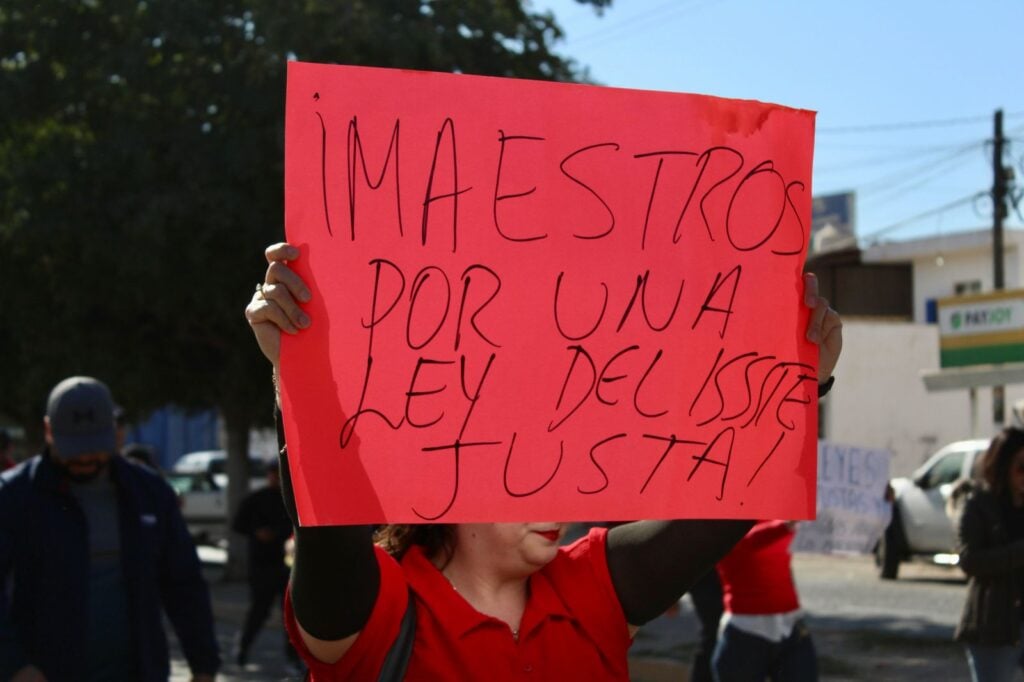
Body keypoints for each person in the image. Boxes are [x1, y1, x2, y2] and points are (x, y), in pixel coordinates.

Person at [244, 242, 843, 680]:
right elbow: (326, 520)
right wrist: (300, 373)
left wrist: (799, 382)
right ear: (453, 474)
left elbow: (739, 496)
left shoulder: (594, 587)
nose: (560, 496)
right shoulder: (377, 609)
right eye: (533, 467)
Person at [0, 376, 220, 681]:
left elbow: (184, 585)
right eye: (75, 449)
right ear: (49, 431)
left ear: (117, 434)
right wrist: (13, 664)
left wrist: (204, 665)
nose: (86, 458)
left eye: (95, 447)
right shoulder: (13, 496)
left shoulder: (150, 493)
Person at [955, 427, 1024, 682]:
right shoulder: (978, 504)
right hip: (993, 626)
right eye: (1020, 467)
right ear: (1002, 466)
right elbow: (969, 560)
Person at [712, 520, 817, 681]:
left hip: (789, 625)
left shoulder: (777, 510)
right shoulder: (721, 518)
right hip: (745, 630)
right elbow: (742, 542)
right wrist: (785, 527)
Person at [232, 459, 299, 669]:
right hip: (261, 565)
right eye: (273, 473)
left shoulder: (292, 500)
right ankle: (242, 649)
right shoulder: (255, 499)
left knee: (289, 615)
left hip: (287, 566)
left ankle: (292, 657)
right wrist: (257, 532)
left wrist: (279, 535)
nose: (275, 478)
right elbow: (239, 524)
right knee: (258, 611)